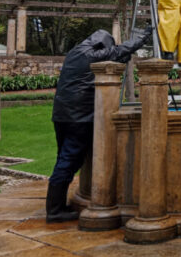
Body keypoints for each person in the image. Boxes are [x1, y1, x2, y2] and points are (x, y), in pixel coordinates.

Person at [46, 27, 151, 223]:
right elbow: (117, 52)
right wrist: (141, 38)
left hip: (61, 115)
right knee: (67, 162)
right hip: (79, 117)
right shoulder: (92, 55)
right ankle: (54, 211)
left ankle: (56, 205)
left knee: (64, 159)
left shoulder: (76, 52)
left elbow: (113, 58)